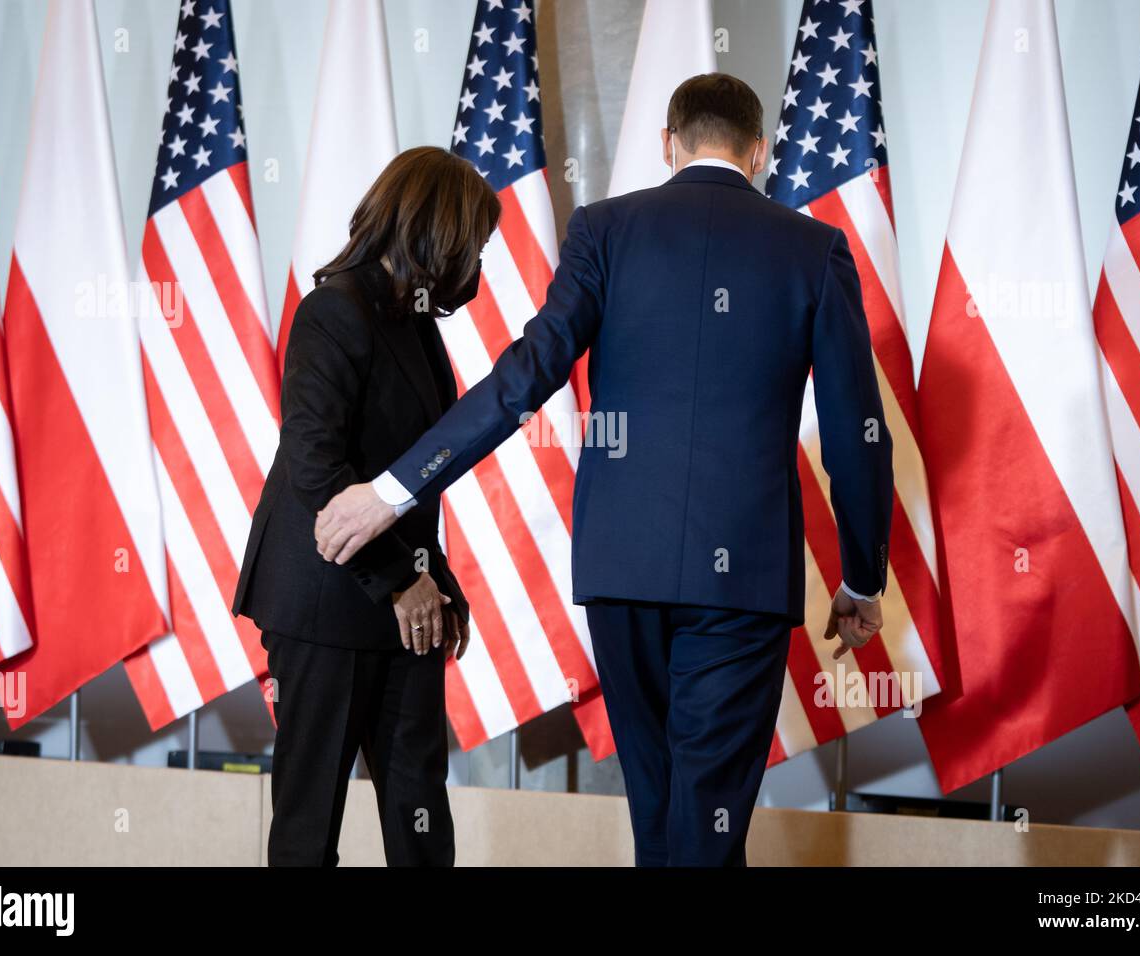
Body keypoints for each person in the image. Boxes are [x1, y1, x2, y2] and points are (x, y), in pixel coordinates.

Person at [312, 74, 894, 866]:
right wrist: (861, 578)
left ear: (667, 143)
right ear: (758, 153)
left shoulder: (605, 230)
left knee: (658, 811)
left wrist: (392, 488)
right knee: (708, 821)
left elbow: (527, 374)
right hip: (741, 581)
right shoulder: (814, 249)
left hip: (623, 569)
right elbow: (861, 432)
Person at [232, 146, 498, 866]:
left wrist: (436, 582)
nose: (476, 262)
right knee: (309, 822)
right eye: (474, 243)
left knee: (419, 813)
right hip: (326, 603)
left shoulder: (414, 320)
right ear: (438, 230)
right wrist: (402, 581)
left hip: (403, 607)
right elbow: (319, 471)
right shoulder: (334, 309)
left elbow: (402, 484)